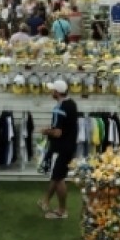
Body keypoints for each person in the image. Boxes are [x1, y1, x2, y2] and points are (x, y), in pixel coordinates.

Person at [38, 80, 78, 220]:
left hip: (61, 148)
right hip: (69, 146)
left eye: (52, 90)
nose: (51, 92)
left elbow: (57, 133)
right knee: (57, 176)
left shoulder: (59, 108)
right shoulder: (72, 104)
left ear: (57, 92)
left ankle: (61, 211)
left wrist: (46, 131)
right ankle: (46, 201)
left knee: (59, 178)